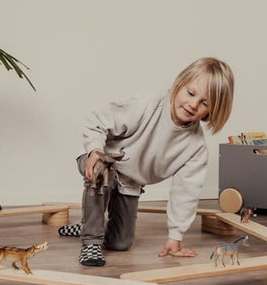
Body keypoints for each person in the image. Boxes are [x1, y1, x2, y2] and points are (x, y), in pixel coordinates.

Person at [58, 57, 234, 266]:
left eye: (204, 103)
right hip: (99, 156)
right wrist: (95, 150)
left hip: (130, 180)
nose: (193, 104)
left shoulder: (195, 147)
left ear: (212, 111)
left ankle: (89, 223)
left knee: (121, 243)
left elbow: (185, 192)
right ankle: (91, 241)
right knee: (102, 169)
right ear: (179, 84)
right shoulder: (147, 105)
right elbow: (97, 121)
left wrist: (175, 237)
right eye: (191, 93)